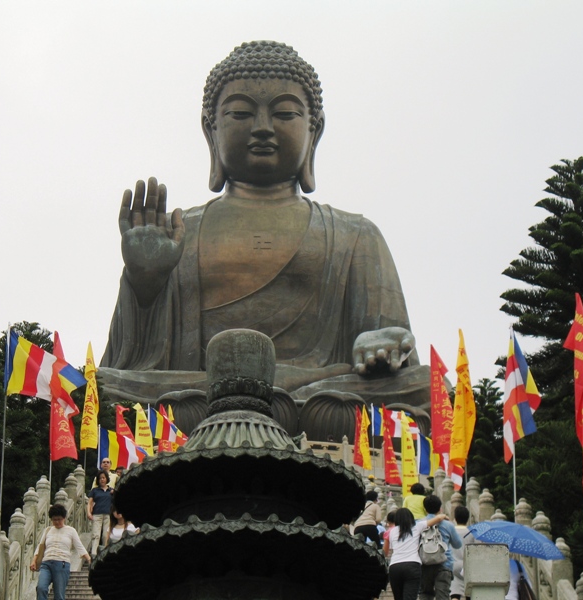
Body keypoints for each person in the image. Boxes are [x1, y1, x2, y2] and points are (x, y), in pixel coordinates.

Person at [98, 40, 430, 418]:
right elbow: (132, 364)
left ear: (314, 131)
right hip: (202, 394)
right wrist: (146, 286)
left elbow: (394, 350)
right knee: (102, 387)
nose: (262, 128)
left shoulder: (354, 234)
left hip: (317, 395)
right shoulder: (178, 232)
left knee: (424, 390)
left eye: (285, 114)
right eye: (240, 113)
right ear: (211, 131)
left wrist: (381, 343)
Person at [30, 504, 91, 600]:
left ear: (64, 518)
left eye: (59, 519)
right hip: (46, 564)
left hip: (62, 564)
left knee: (59, 594)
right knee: (41, 588)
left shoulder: (71, 531)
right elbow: (40, 547)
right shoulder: (48, 530)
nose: (57, 522)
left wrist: (89, 559)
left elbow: (80, 547)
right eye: (54, 519)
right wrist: (34, 560)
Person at [387, 507, 448, 600]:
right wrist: (444, 515)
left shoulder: (392, 531)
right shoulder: (417, 526)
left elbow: (392, 548)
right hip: (412, 565)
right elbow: (438, 519)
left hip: (394, 567)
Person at [420, 495, 463, 600]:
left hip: (424, 563)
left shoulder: (419, 524)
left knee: (425, 594)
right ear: (440, 508)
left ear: (425, 509)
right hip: (444, 564)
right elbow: (458, 544)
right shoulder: (448, 525)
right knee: (443, 596)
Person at [87, 471, 114, 557]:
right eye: (100, 478)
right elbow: (90, 502)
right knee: (96, 534)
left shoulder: (111, 490)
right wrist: (88, 512)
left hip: (108, 514)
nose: (102, 480)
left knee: (106, 535)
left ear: (106, 479)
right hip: (97, 514)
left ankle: (105, 552)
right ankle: (94, 554)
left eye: (103, 478)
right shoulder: (95, 490)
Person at [449, 505, 473, 600]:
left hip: (453, 565)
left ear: (455, 518)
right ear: (467, 518)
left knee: (455, 592)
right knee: (469, 592)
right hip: (467, 567)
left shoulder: (451, 531)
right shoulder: (471, 533)